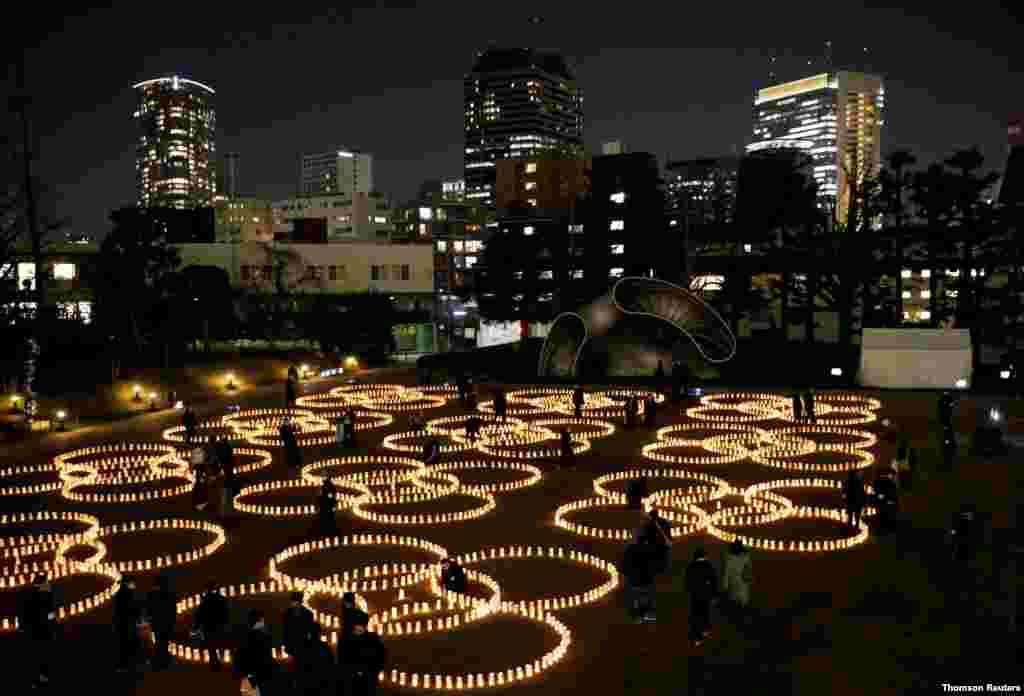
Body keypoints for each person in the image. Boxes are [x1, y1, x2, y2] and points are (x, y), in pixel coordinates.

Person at [18, 575, 57, 688]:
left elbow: (23, 616)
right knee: (41, 656)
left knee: (38, 657)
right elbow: (49, 613)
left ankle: (39, 679)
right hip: (39, 631)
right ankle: (41, 680)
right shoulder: (41, 598)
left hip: (35, 631)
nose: (48, 585)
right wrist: (52, 621)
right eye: (46, 584)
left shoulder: (31, 597)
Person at [336, 610, 386, 696]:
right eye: (357, 625)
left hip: (368, 681)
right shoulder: (345, 639)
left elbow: (380, 658)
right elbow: (341, 660)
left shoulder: (373, 639)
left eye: (362, 625)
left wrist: (370, 672)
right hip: (350, 682)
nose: (359, 628)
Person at [236, 609, 277, 696]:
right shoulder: (263, 634)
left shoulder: (247, 635)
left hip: (251, 672)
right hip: (262, 672)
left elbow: (240, 654)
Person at [619, 530, 657, 623]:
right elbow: (655, 565)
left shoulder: (630, 550)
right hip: (646, 580)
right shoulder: (650, 550)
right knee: (646, 597)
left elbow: (624, 564)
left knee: (637, 598)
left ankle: (638, 617)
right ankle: (647, 616)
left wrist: (625, 573)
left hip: (634, 580)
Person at [685, 548, 718, 646]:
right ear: (705, 556)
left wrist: (689, 590)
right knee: (705, 612)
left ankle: (697, 637)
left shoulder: (691, 566)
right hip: (705, 594)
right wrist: (714, 594)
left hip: (695, 595)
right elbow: (713, 581)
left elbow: (687, 581)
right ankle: (705, 629)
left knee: (696, 615)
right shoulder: (708, 566)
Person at [283, 592, 316, 688]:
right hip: (292, 646)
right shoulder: (287, 614)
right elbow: (285, 632)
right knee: (293, 670)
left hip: (304, 646)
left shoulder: (308, 614)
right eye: (292, 602)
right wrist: (287, 649)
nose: (292, 604)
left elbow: (310, 631)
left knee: (304, 670)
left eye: (294, 602)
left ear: (299, 602)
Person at [194, 582, 229, 668]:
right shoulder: (221, 598)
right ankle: (218, 661)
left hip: (208, 625)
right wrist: (225, 622)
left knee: (211, 646)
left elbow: (200, 613)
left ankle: (214, 663)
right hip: (219, 624)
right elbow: (225, 612)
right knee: (218, 643)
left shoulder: (205, 599)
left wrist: (197, 625)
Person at [295, 622, 334, 696]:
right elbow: (331, 666)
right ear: (319, 633)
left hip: (307, 684)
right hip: (322, 684)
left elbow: (298, 667)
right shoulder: (325, 647)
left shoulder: (302, 648)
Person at [720, 539, 754, 626]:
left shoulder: (729, 559)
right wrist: (749, 581)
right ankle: (743, 622)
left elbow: (726, 574)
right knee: (743, 605)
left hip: (734, 584)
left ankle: (736, 622)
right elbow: (749, 571)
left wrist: (725, 586)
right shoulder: (746, 557)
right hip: (743, 585)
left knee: (735, 605)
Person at [147, 573, 177, 670]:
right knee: (164, 642)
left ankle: (160, 660)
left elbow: (149, 609)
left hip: (157, 622)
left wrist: (150, 619)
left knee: (159, 642)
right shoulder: (169, 594)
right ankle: (164, 660)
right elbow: (173, 609)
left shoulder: (153, 594)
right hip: (166, 622)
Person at [113, 576, 142, 672]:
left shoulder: (122, 594)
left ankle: (127, 663)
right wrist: (137, 617)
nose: (134, 585)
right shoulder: (126, 595)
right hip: (126, 622)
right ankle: (126, 664)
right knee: (127, 642)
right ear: (127, 584)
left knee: (125, 643)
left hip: (124, 622)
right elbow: (131, 608)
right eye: (133, 583)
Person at [643, 508, 672, 576]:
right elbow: (668, 532)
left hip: (656, 544)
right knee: (662, 557)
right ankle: (662, 569)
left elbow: (648, 534)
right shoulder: (663, 521)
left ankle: (658, 570)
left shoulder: (651, 524)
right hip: (662, 543)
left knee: (657, 557)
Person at [872, 469, 899, 534]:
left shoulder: (882, 482)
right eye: (892, 475)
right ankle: (884, 528)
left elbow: (877, 492)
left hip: (885, 502)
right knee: (883, 515)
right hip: (884, 503)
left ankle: (884, 527)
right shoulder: (887, 482)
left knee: (884, 515)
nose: (892, 476)